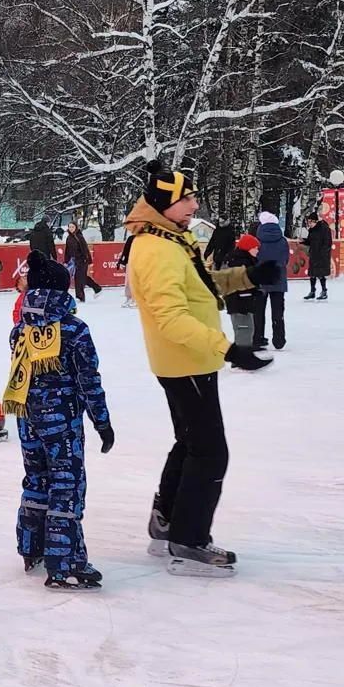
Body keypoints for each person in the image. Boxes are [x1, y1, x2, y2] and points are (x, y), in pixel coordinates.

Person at [125, 165, 277, 577]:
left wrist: (246, 275)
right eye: (186, 198)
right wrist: (228, 349)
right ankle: (189, 539)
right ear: (164, 205)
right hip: (185, 361)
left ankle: (167, 521)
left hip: (188, 361)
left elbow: (200, 286)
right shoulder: (156, 250)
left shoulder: (170, 238)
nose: (194, 204)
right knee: (210, 451)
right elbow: (171, 317)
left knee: (190, 442)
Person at [5, 250, 114, 590]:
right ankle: (64, 562)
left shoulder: (20, 329)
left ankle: (31, 544)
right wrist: (102, 420)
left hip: (26, 417)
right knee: (66, 482)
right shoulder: (74, 330)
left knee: (37, 477)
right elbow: (88, 379)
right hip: (61, 420)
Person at [253, 212, 290, 350]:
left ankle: (257, 338)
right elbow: (286, 259)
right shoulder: (283, 241)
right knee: (278, 312)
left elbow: (254, 259)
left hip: (260, 280)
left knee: (258, 311)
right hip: (278, 279)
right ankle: (279, 339)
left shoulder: (257, 241)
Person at [224, 234, 262, 352]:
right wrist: (254, 292)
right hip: (240, 303)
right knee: (244, 329)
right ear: (248, 248)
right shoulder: (241, 262)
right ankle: (241, 359)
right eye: (255, 248)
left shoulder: (245, 260)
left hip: (242, 302)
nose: (257, 250)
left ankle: (243, 357)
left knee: (246, 329)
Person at [64, 222, 102, 302]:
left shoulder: (79, 237)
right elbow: (67, 251)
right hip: (74, 261)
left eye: (72, 227)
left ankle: (80, 297)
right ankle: (97, 288)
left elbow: (85, 249)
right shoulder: (68, 238)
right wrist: (66, 261)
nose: (71, 228)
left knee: (79, 278)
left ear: (76, 228)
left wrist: (89, 260)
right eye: (70, 227)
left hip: (82, 260)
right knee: (82, 277)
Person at [303, 214, 334, 300]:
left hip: (322, 256)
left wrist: (323, 253)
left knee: (321, 274)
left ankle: (324, 291)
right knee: (312, 274)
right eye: (308, 222)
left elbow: (328, 242)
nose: (309, 224)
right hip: (313, 254)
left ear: (316, 221)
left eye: (311, 222)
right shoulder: (312, 230)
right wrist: (303, 241)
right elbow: (310, 241)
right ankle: (312, 291)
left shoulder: (324, 229)